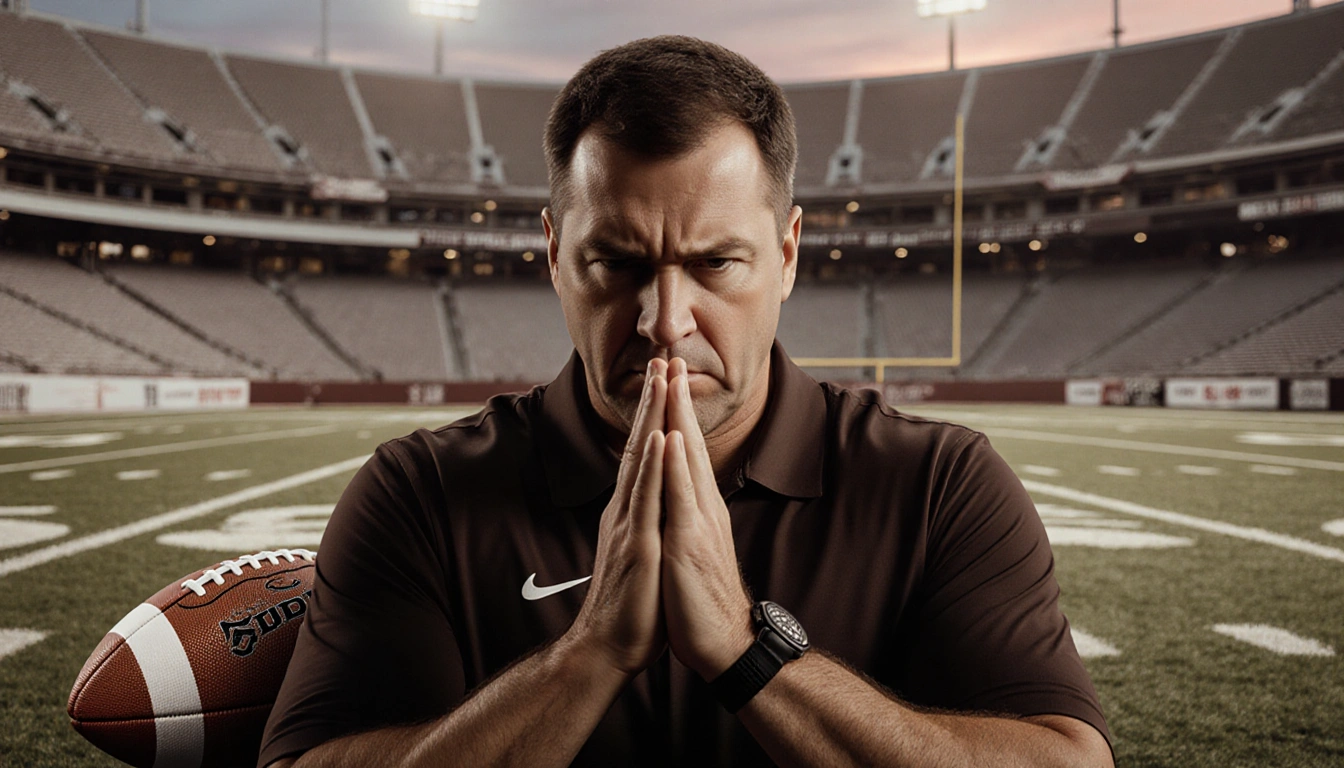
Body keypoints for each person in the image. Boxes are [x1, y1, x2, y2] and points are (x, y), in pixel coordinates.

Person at [259, 35, 1113, 768]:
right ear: (555, 256)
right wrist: (588, 656)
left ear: (786, 255)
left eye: (715, 262)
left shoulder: (940, 483)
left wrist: (748, 651)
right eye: (617, 262)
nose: (665, 321)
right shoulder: (419, 492)